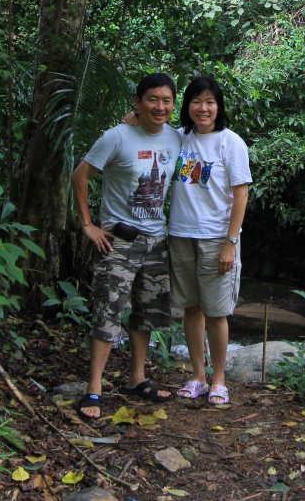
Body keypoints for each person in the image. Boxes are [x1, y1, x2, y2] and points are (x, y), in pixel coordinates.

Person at [71, 73, 182, 420]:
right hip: (119, 240)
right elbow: (80, 175)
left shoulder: (177, 138)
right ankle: (94, 387)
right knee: (108, 310)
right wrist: (88, 224)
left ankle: (137, 377)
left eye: (166, 100)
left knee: (145, 312)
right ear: (137, 101)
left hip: (156, 239)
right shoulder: (116, 137)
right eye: (152, 99)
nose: (159, 106)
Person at [168, 77, 251, 406]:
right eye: (196, 101)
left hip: (217, 237)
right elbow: (145, 132)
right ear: (188, 106)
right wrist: (132, 120)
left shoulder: (230, 143)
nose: (203, 108)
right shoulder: (178, 139)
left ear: (219, 107)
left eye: (210, 102)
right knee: (192, 307)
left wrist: (230, 242)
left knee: (217, 313)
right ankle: (198, 376)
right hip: (181, 234)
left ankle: (219, 379)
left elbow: (241, 195)